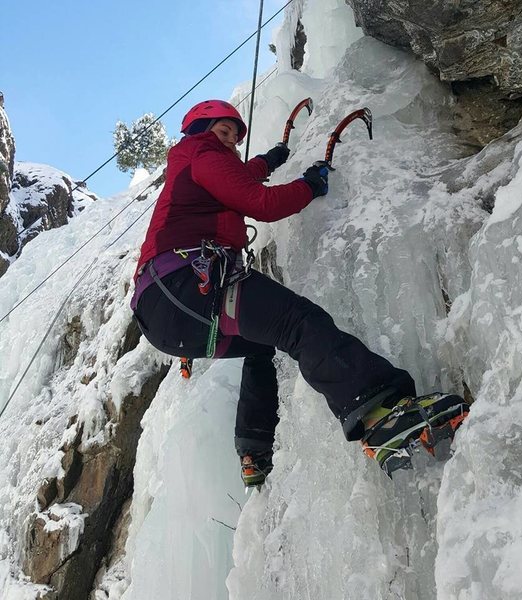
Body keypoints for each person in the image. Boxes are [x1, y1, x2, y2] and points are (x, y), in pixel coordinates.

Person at [130, 99, 468, 487]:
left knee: (260, 346)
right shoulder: (202, 151)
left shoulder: (195, 164)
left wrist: (271, 159)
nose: (230, 144)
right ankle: (382, 413)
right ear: (199, 129)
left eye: (235, 139)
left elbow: (239, 175)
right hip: (187, 284)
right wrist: (308, 185)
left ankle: (254, 452)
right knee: (297, 323)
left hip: (167, 317)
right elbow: (261, 202)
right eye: (224, 132)